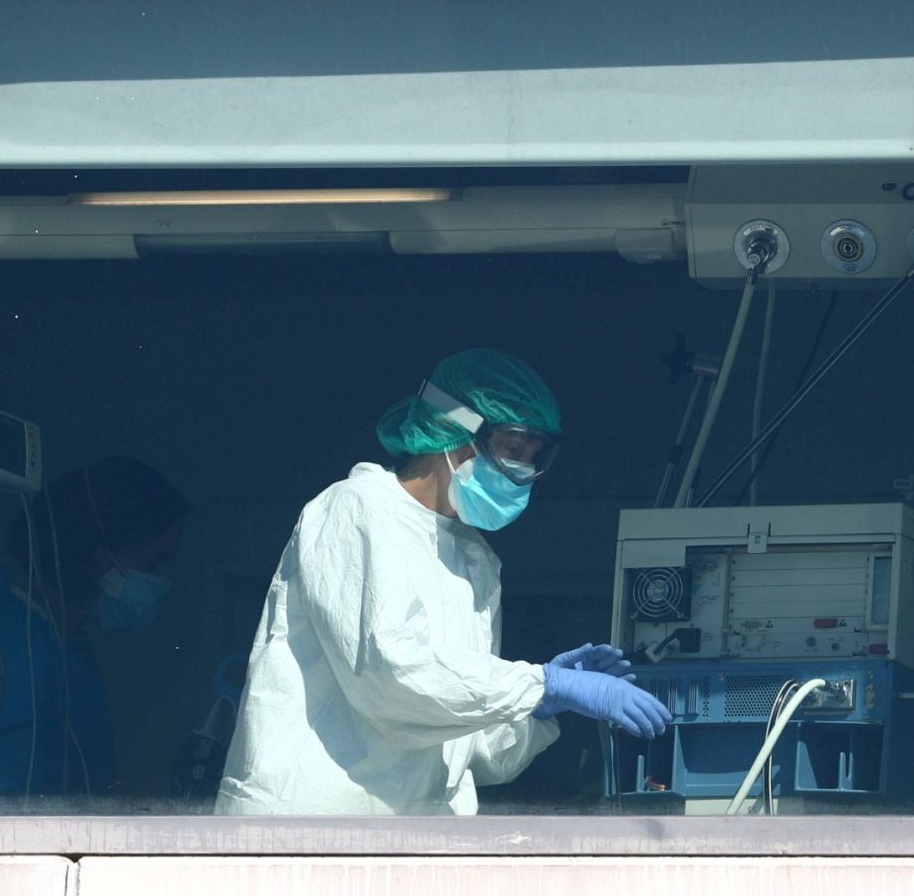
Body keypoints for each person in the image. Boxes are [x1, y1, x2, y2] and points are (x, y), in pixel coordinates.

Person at [215, 348, 670, 815]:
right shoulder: (356, 509)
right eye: (514, 449)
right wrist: (539, 684)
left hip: (415, 838)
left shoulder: (475, 561)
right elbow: (389, 676)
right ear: (456, 430)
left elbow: (477, 746)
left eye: (535, 456)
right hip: (308, 828)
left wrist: (540, 708)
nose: (524, 472)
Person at [0, 455, 188, 800]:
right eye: (151, 563)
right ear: (94, 549)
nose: (159, 581)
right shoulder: (10, 650)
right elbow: (7, 809)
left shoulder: (62, 646)